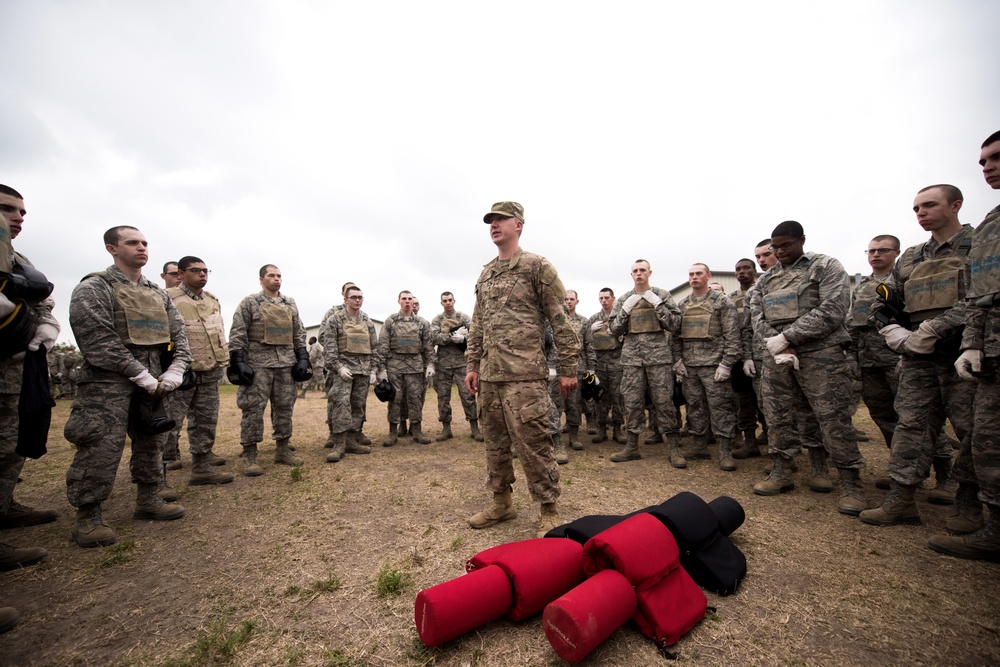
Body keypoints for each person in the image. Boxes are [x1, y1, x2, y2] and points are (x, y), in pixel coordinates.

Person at [64, 225, 191, 547]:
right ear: (111, 248)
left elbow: (180, 337)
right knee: (100, 446)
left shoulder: (157, 293)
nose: (141, 248)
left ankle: (148, 497)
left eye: (145, 243)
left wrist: (175, 370)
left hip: (154, 382)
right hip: (107, 382)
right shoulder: (95, 287)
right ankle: (88, 514)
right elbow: (98, 340)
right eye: (132, 243)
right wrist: (140, 374)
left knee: (152, 440)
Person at [859, 185, 975, 527]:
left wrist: (935, 328)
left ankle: (967, 504)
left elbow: (982, 296)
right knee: (911, 426)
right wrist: (894, 332)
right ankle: (901, 499)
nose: (921, 213)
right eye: (916, 208)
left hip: (962, 354)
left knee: (973, 430)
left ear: (955, 205)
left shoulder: (978, 244)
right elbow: (884, 301)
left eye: (929, 205)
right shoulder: (911, 257)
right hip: (916, 358)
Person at [465, 202, 579, 536]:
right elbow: (477, 323)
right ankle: (502, 503)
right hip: (490, 376)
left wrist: (569, 367)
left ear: (519, 225)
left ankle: (548, 508)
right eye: (490, 221)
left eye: (500, 220)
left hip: (525, 376)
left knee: (534, 443)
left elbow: (561, 319)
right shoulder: (486, 273)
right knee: (495, 443)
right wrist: (473, 364)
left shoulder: (536, 267)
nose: (494, 225)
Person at [749, 221, 867, 515]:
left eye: (785, 245)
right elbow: (756, 316)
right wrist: (777, 342)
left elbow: (834, 309)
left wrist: (788, 337)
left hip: (821, 353)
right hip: (777, 356)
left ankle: (849, 481)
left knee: (831, 416)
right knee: (777, 414)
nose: (779, 252)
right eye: (775, 247)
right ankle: (781, 471)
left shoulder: (824, 266)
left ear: (801, 240)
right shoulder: (766, 280)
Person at [931, 130, 1000, 561]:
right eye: (982, 161)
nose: (987, 166)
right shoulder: (993, 224)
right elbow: (980, 292)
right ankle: (993, 524)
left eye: (995, 158)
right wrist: (973, 342)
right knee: (988, 439)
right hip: (989, 349)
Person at [0, 184, 58, 570]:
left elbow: (43, 302)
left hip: (14, 368)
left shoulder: (18, 259)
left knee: (9, 445)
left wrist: (44, 327)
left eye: (21, 211)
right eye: (7, 209)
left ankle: (4, 507)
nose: (17, 217)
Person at [228, 264, 311, 474]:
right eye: (271, 276)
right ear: (261, 279)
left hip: (285, 364)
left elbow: (298, 332)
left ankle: (282, 449)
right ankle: (250, 456)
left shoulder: (289, 303)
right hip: (258, 365)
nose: (276, 279)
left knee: (285, 407)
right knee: (253, 408)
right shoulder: (250, 303)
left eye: (279, 276)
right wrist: (238, 360)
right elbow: (238, 332)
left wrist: (302, 357)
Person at [163, 256, 233, 486]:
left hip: (209, 370)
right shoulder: (168, 298)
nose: (203, 274)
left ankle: (201, 465)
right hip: (180, 372)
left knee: (206, 419)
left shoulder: (212, 300)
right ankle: (160, 471)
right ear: (181, 274)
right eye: (196, 270)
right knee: (170, 421)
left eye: (205, 270)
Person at [607, 259, 683, 464]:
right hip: (632, 358)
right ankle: (632, 446)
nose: (638, 274)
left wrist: (658, 304)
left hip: (658, 357)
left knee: (664, 401)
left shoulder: (662, 295)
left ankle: (674, 447)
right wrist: (624, 311)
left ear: (649, 272)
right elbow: (614, 329)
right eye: (635, 271)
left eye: (642, 270)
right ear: (631, 275)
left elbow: (675, 324)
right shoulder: (625, 298)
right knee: (632, 402)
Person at [672, 263, 741, 470]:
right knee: (694, 407)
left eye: (698, 273)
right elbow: (676, 337)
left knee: (721, 408)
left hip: (714, 366)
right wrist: (678, 361)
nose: (694, 277)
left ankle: (725, 451)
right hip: (690, 367)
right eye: (691, 274)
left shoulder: (722, 302)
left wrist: (727, 364)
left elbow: (732, 335)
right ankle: (699, 445)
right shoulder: (682, 305)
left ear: (708, 276)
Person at [321, 285, 377, 461]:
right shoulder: (335, 320)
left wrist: (374, 370)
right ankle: (338, 445)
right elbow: (329, 349)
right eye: (353, 297)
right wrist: (338, 367)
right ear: (345, 299)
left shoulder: (367, 322)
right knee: (341, 405)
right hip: (344, 371)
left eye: (360, 297)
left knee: (357, 406)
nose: (357, 300)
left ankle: (352, 441)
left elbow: (374, 348)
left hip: (363, 371)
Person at [376, 291, 435, 446]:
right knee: (395, 399)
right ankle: (392, 432)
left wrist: (430, 364)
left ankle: (417, 431)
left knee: (415, 399)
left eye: (410, 299)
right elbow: (382, 345)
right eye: (404, 299)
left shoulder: (422, 323)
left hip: (415, 367)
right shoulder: (391, 321)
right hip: (395, 367)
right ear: (399, 301)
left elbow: (428, 346)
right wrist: (381, 368)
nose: (407, 302)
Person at [430, 291, 482, 441]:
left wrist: (464, 338)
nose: (447, 303)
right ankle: (446, 429)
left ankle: (474, 428)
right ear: (441, 303)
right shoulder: (437, 319)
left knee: (468, 395)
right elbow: (434, 337)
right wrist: (453, 337)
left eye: (450, 300)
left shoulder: (463, 317)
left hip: (461, 363)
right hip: (443, 365)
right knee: (443, 397)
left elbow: (475, 334)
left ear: (454, 301)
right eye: (444, 301)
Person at [585, 288, 626, 445]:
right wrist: (591, 330)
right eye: (601, 298)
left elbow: (629, 339)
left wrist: (622, 335)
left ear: (613, 298)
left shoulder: (619, 318)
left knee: (617, 398)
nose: (604, 300)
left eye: (607, 297)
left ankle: (617, 429)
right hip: (600, 364)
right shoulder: (594, 319)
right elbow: (585, 341)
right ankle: (601, 429)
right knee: (600, 398)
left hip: (617, 364)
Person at [558, 290, 595, 451]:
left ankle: (574, 436)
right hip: (557, 368)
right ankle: (556, 436)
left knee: (574, 403)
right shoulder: (556, 321)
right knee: (556, 403)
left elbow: (589, 347)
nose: (568, 302)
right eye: (565, 299)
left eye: (571, 299)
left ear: (577, 301)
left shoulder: (584, 322)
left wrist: (591, 369)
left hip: (577, 368)